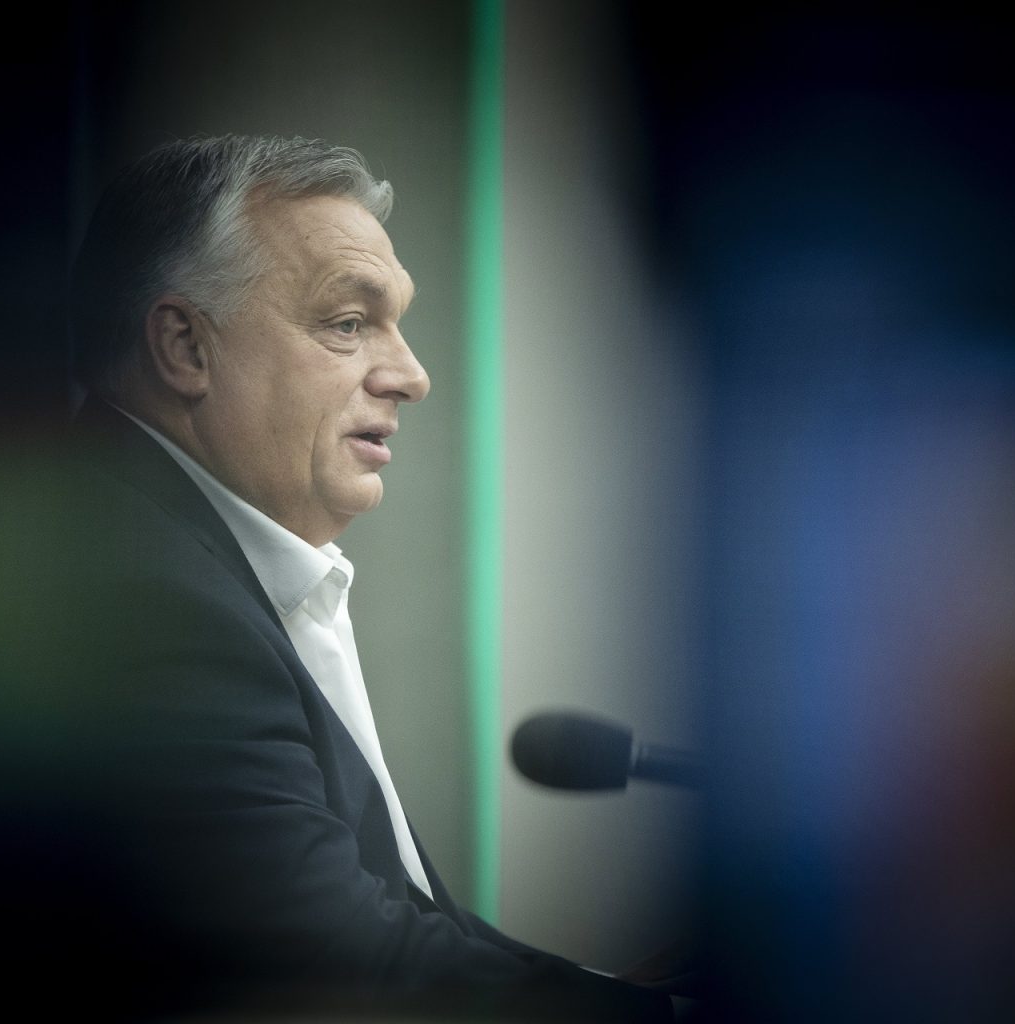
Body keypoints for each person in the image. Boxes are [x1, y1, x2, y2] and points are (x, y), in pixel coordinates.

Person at [62, 135, 671, 1020]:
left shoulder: (183, 556)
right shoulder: (140, 593)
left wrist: (619, 996)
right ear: (186, 347)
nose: (411, 376)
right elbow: (338, 957)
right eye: (348, 323)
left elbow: (406, 919)